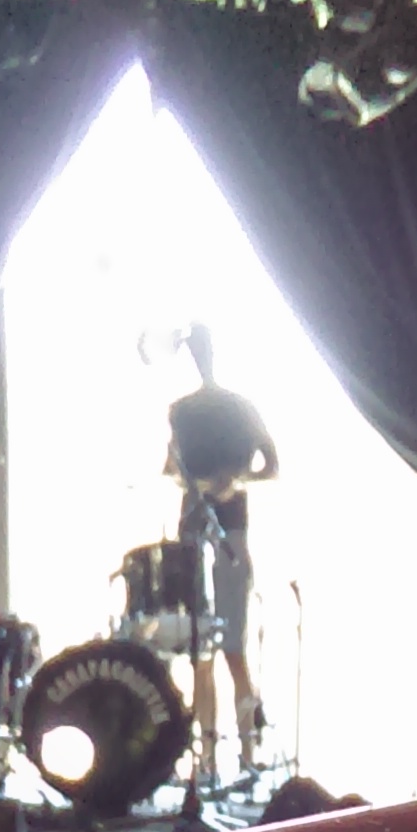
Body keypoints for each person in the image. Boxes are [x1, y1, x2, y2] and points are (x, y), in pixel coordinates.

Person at [164, 327, 279, 775]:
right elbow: (171, 468)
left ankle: (245, 755)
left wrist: (234, 482)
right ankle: (207, 757)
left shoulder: (236, 408)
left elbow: (272, 466)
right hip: (197, 534)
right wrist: (205, 482)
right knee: (203, 651)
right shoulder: (183, 411)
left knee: (230, 648)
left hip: (228, 533)